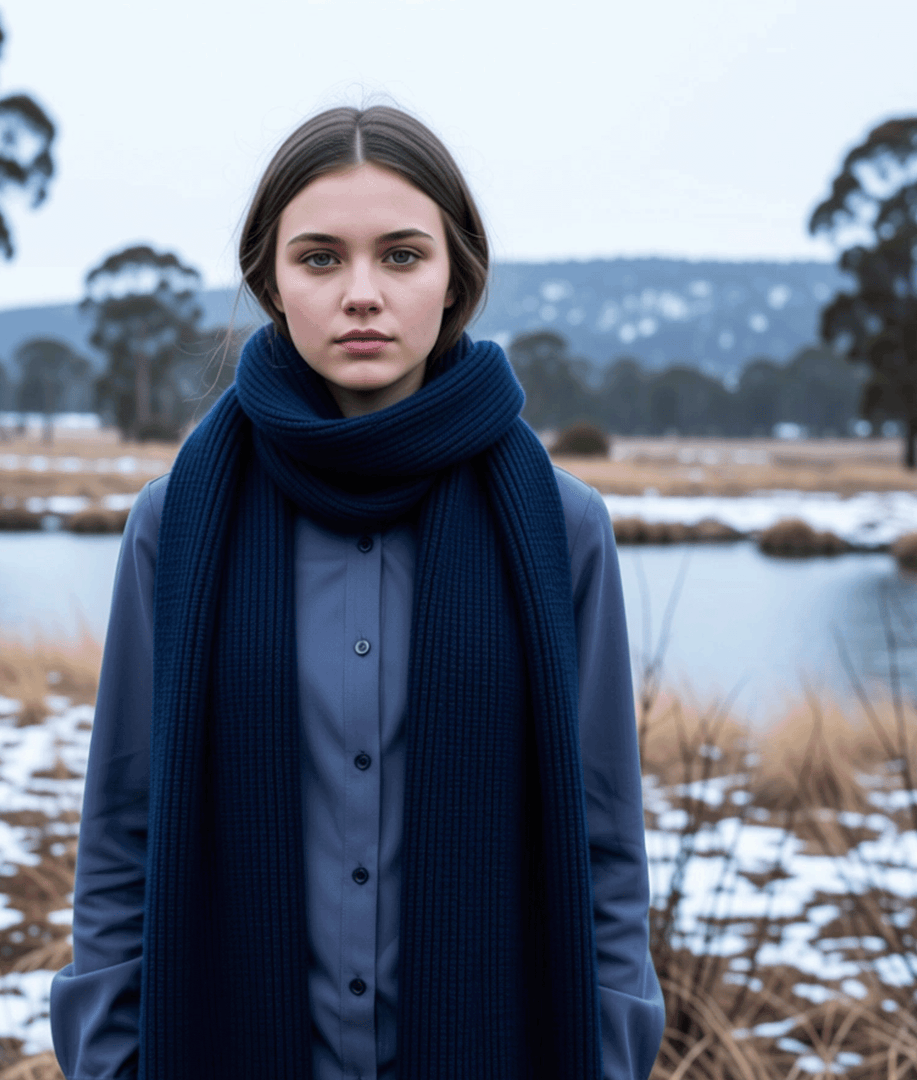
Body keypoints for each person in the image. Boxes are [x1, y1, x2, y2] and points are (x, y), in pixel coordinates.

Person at [50, 104, 665, 1080]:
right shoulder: (175, 524)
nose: (362, 294)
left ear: (457, 273)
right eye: (322, 258)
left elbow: (606, 848)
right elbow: (124, 829)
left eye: (403, 256)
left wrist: (612, 1056)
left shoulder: (563, 527)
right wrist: (108, 1059)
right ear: (271, 279)